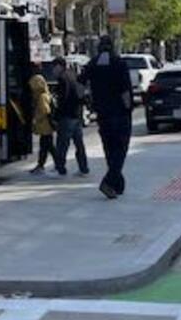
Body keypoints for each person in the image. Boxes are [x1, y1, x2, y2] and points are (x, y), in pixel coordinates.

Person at [80, 35, 133, 199]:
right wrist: (128, 108)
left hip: (102, 114)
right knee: (120, 149)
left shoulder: (93, 63)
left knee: (109, 149)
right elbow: (125, 91)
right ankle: (109, 181)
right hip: (119, 113)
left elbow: (80, 84)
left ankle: (118, 183)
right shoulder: (119, 63)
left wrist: (85, 100)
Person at [51, 57, 89, 176]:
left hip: (67, 115)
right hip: (76, 114)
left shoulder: (63, 78)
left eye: (54, 67)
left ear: (59, 66)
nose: (53, 70)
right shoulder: (72, 75)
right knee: (79, 144)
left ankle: (60, 168)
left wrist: (56, 116)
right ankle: (83, 168)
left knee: (62, 144)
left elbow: (63, 99)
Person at [27, 66, 56, 174]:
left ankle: (57, 165)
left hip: (45, 126)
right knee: (47, 146)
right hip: (46, 126)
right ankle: (43, 165)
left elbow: (45, 111)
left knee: (48, 147)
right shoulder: (44, 94)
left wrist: (35, 119)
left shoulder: (42, 97)